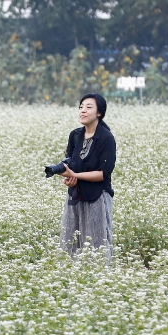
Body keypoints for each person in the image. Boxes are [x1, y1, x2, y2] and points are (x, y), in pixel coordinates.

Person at [59, 93, 116, 262]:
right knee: (69, 241)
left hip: (97, 196)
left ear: (99, 113)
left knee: (97, 243)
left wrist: (75, 174)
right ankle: (69, 279)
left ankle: (100, 279)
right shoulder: (75, 135)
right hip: (75, 195)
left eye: (88, 107)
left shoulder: (106, 138)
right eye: (81, 107)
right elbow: (70, 163)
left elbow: (103, 174)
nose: (83, 111)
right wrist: (69, 177)